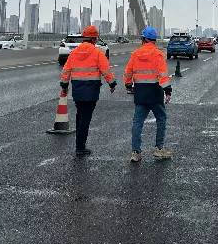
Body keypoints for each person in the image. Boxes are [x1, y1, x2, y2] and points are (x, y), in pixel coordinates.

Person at [60, 25, 116, 156]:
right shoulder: (97, 53)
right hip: (91, 90)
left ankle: (79, 144)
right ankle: (80, 147)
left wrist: (64, 86)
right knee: (85, 118)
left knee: (80, 116)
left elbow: (66, 71)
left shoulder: (74, 53)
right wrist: (112, 83)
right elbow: (106, 70)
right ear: (94, 39)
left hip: (77, 89)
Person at [123, 26, 172, 162]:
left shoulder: (135, 54)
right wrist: (168, 91)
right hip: (155, 93)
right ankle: (159, 148)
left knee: (137, 122)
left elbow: (127, 73)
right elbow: (163, 75)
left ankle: (135, 152)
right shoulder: (157, 55)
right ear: (154, 40)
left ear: (143, 39)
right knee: (161, 118)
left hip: (140, 93)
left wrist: (128, 85)